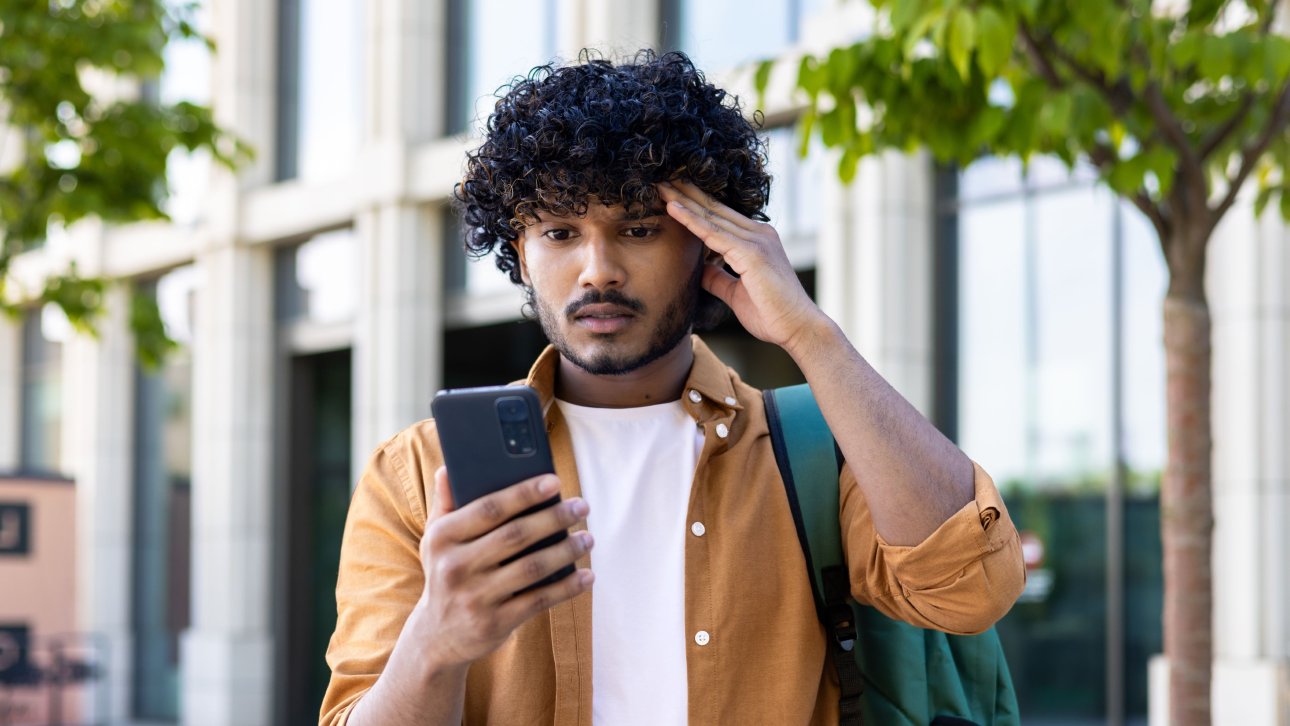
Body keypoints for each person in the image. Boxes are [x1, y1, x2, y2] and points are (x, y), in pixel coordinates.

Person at [319, 50, 1024, 726]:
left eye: (638, 228)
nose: (598, 270)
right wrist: (434, 644)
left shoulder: (815, 450)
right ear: (521, 254)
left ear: (711, 243)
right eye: (560, 232)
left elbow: (971, 591)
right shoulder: (417, 474)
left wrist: (812, 334)